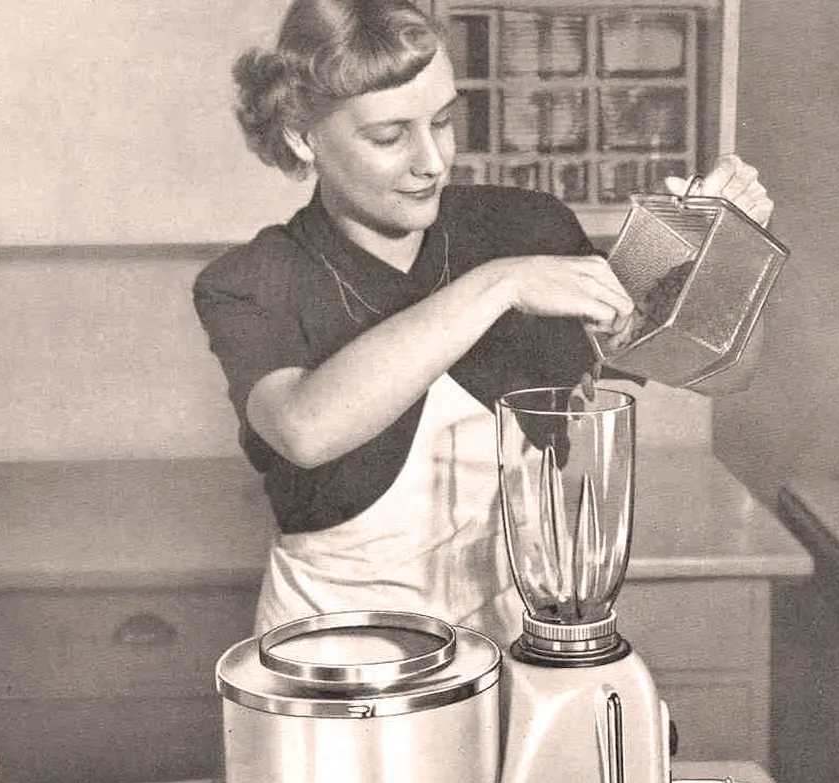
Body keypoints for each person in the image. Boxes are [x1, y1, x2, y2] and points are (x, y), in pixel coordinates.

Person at [194, 0, 774, 646]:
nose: (433, 161)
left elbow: (727, 373)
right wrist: (500, 284)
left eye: (443, 122)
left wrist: (718, 247)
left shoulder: (521, 226)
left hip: (506, 641)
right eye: (390, 137)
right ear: (305, 136)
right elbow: (306, 428)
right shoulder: (253, 279)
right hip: (332, 660)